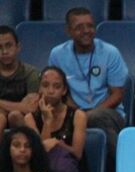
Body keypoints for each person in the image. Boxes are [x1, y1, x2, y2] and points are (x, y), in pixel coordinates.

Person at [47, 7, 128, 156]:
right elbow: (60, 91)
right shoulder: (57, 54)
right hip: (72, 113)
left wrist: (88, 115)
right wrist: (78, 114)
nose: (86, 31)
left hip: (109, 113)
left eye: (90, 26)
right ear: (68, 31)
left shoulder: (110, 52)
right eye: (79, 27)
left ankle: (120, 165)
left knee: (97, 118)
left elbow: (117, 95)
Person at [25, 66, 86, 172]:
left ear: (64, 90)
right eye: (45, 85)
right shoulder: (30, 118)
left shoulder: (78, 116)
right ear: (39, 89)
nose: (50, 91)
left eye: (56, 86)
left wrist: (57, 143)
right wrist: (48, 121)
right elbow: (42, 153)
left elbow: (77, 154)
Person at [0, 26, 39, 131]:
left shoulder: (31, 73)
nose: (4, 51)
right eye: (0, 47)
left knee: (15, 115)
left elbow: (30, 108)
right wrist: (20, 105)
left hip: (23, 120)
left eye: (8, 46)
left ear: (18, 47)